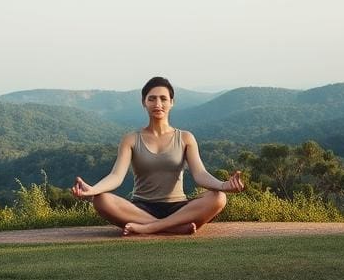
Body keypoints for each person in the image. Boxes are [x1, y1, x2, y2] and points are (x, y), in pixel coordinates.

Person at [71, 76, 244, 235]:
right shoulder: (131, 139)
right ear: (144, 102)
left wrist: (223, 185)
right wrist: (93, 190)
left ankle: (151, 227)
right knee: (100, 200)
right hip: (141, 208)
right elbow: (116, 176)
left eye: (163, 98)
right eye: (152, 98)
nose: (158, 104)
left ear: (171, 102)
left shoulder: (185, 138)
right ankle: (173, 228)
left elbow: (200, 174)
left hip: (179, 208)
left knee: (218, 198)